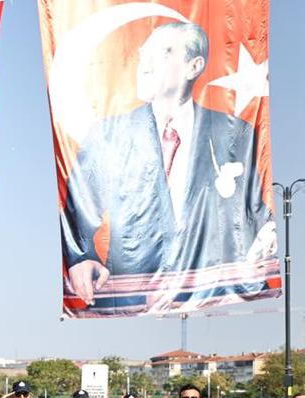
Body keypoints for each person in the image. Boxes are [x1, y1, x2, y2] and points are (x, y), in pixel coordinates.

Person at [63, 22, 276, 311]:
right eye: (143, 53)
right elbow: (80, 209)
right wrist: (80, 257)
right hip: (127, 297)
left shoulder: (234, 134)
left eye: (162, 52)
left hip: (211, 293)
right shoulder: (108, 135)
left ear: (194, 66)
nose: (145, 64)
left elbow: (251, 214)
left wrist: (263, 243)